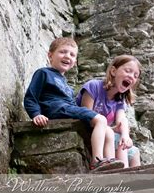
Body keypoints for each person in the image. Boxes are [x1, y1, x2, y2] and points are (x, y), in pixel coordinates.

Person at [23, 37, 124, 171]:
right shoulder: (43, 73)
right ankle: (97, 160)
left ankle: (110, 166)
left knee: (108, 131)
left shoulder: (67, 85)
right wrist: (36, 114)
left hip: (67, 109)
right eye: (63, 52)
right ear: (50, 55)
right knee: (101, 119)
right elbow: (31, 96)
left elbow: (73, 107)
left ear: (74, 62)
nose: (67, 56)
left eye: (72, 54)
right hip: (55, 109)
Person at [77, 55, 141, 168]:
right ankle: (100, 162)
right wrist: (111, 129)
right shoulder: (93, 86)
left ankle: (127, 175)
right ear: (113, 71)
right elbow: (86, 116)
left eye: (135, 75)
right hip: (88, 130)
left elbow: (121, 120)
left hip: (106, 134)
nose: (131, 76)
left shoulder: (120, 99)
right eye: (128, 71)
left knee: (133, 150)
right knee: (110, 132)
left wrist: (125, 136)